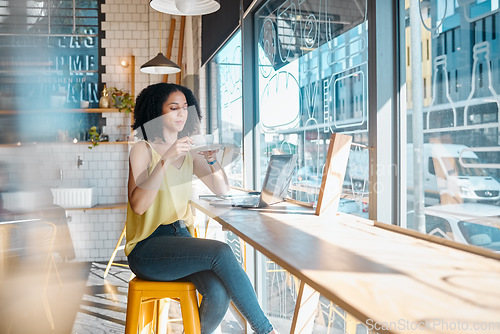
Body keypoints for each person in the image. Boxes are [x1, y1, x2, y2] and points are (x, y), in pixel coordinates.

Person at [125, 83, 277, 334]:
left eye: (185, 107)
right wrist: (166, 159)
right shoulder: (143, 150)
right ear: (156, 112)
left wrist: (211, 159)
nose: (181, 113)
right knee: (222, 251)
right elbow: (139, 206)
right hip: (147, 248)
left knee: (217, 293)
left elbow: (222, 190)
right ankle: (266, 330)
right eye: (173, 108)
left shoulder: (189, 154)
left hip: (180, 238)